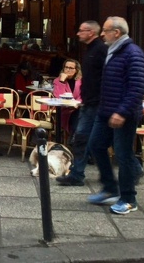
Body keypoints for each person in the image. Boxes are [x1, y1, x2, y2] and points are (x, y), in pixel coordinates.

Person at [87, 16, 144, 215]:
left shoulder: (132, 53)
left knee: (123, 154)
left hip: (124, 115)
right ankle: (110, 188)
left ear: (117, 33)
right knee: (95, 145)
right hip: (105, 111)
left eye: (105, 30)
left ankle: (129, 199)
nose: (102, 34)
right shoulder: (113, 51)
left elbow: (137, 87)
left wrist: (122, 112)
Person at [56, 21, 106, 187]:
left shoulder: (101, 50)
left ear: (91, 32)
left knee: (105, 140)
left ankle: (133, 169)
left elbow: (107, 77)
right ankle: (77, 175)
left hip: (97, 103)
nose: (78, 34)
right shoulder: (90, 50)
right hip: (88, 103)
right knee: (81, 139)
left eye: (81, 31)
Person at [52, 58, 82, 138]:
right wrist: (62, 81)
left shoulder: (80, 81)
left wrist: (76, 104)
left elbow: (82, 96)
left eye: (71, 68)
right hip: (64, 110)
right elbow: (58, 96)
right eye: (66, 67)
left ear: (76, 70)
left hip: (77, 108)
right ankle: (75, 138)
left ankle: (74, 138)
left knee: (79, 114)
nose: (68, 70)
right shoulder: (57, 81)